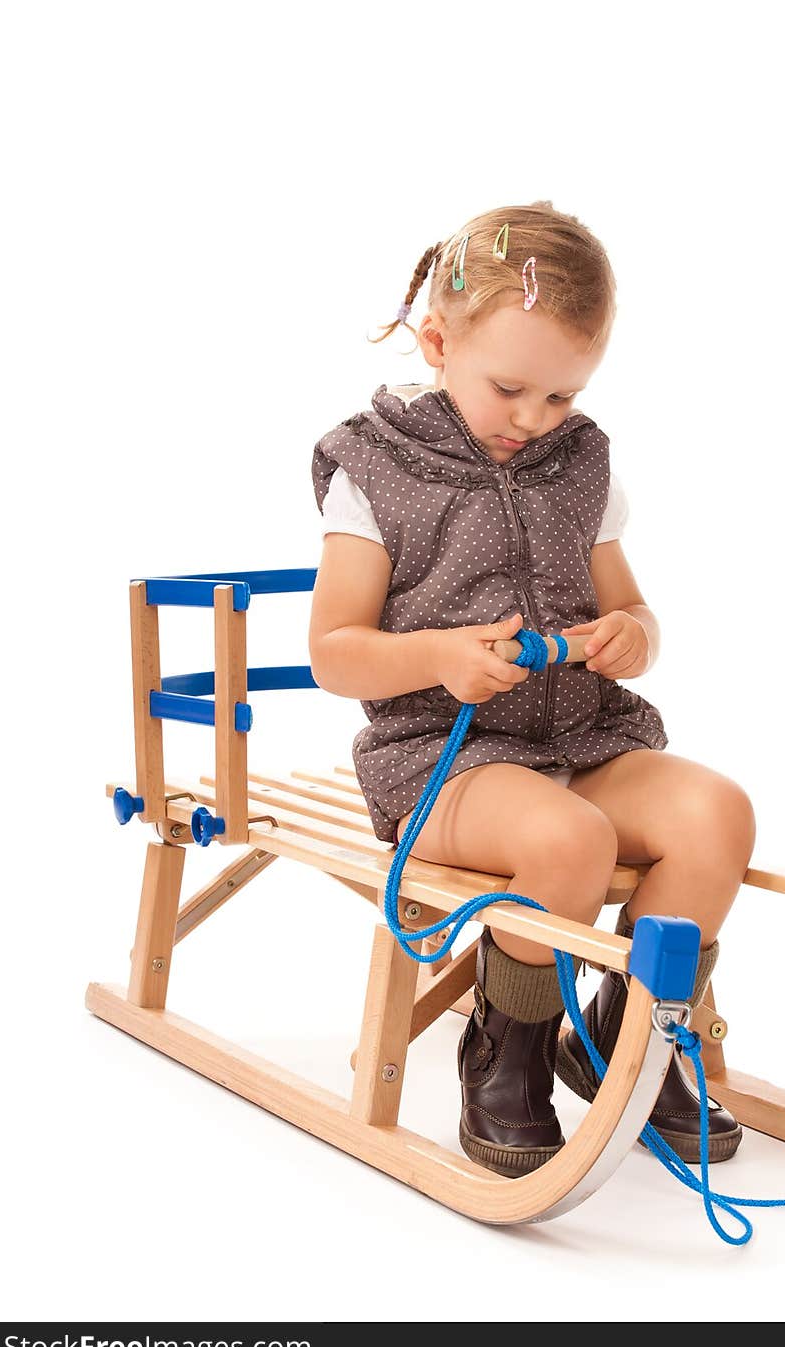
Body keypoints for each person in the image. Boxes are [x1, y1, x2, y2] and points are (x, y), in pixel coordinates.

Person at [308, 201, 756, 1178]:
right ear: (435, 341)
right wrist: (437, 656)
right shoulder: (376, 469)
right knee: (567, 839)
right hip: (443, 762)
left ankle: (629, 1032)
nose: (533, 419)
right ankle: (504, 1050)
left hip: (578, 742)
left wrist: (627, 636)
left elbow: (633, 607)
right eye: (510, 387)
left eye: (561, 395)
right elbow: (334, 652)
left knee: (716, 813)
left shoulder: (577, 462)